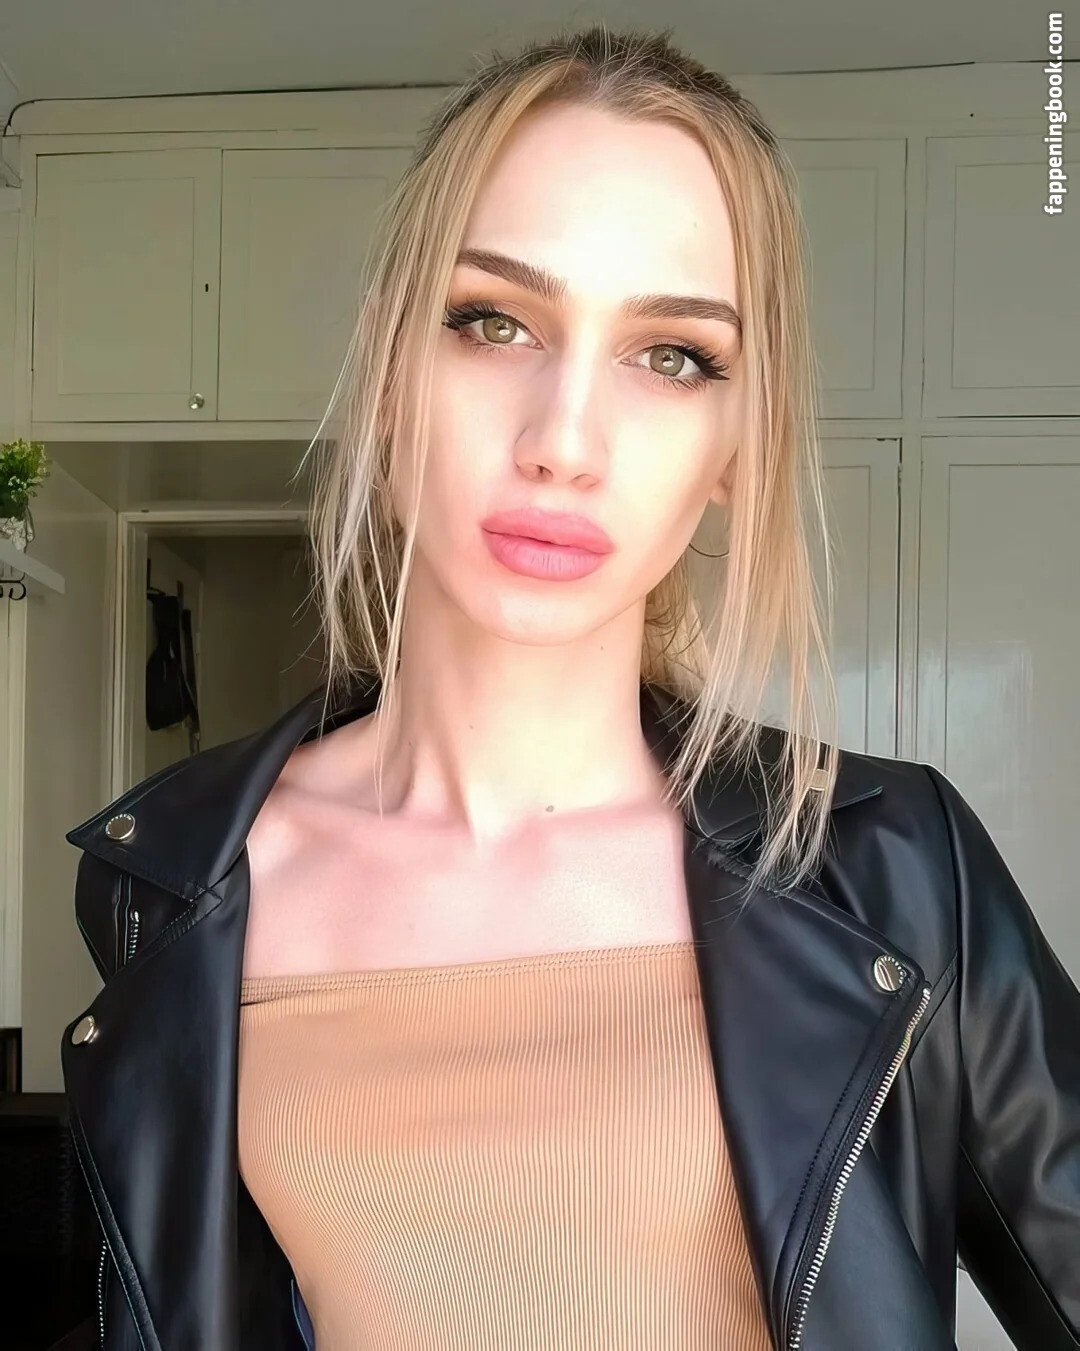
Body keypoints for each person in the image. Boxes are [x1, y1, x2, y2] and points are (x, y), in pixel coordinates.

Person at [58, 23, 1079, 1351]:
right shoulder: (177, 880)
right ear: (389, 366)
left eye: (674, 355)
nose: (565, 440)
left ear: (736, 441)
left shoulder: (890, 871)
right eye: (493, 323)